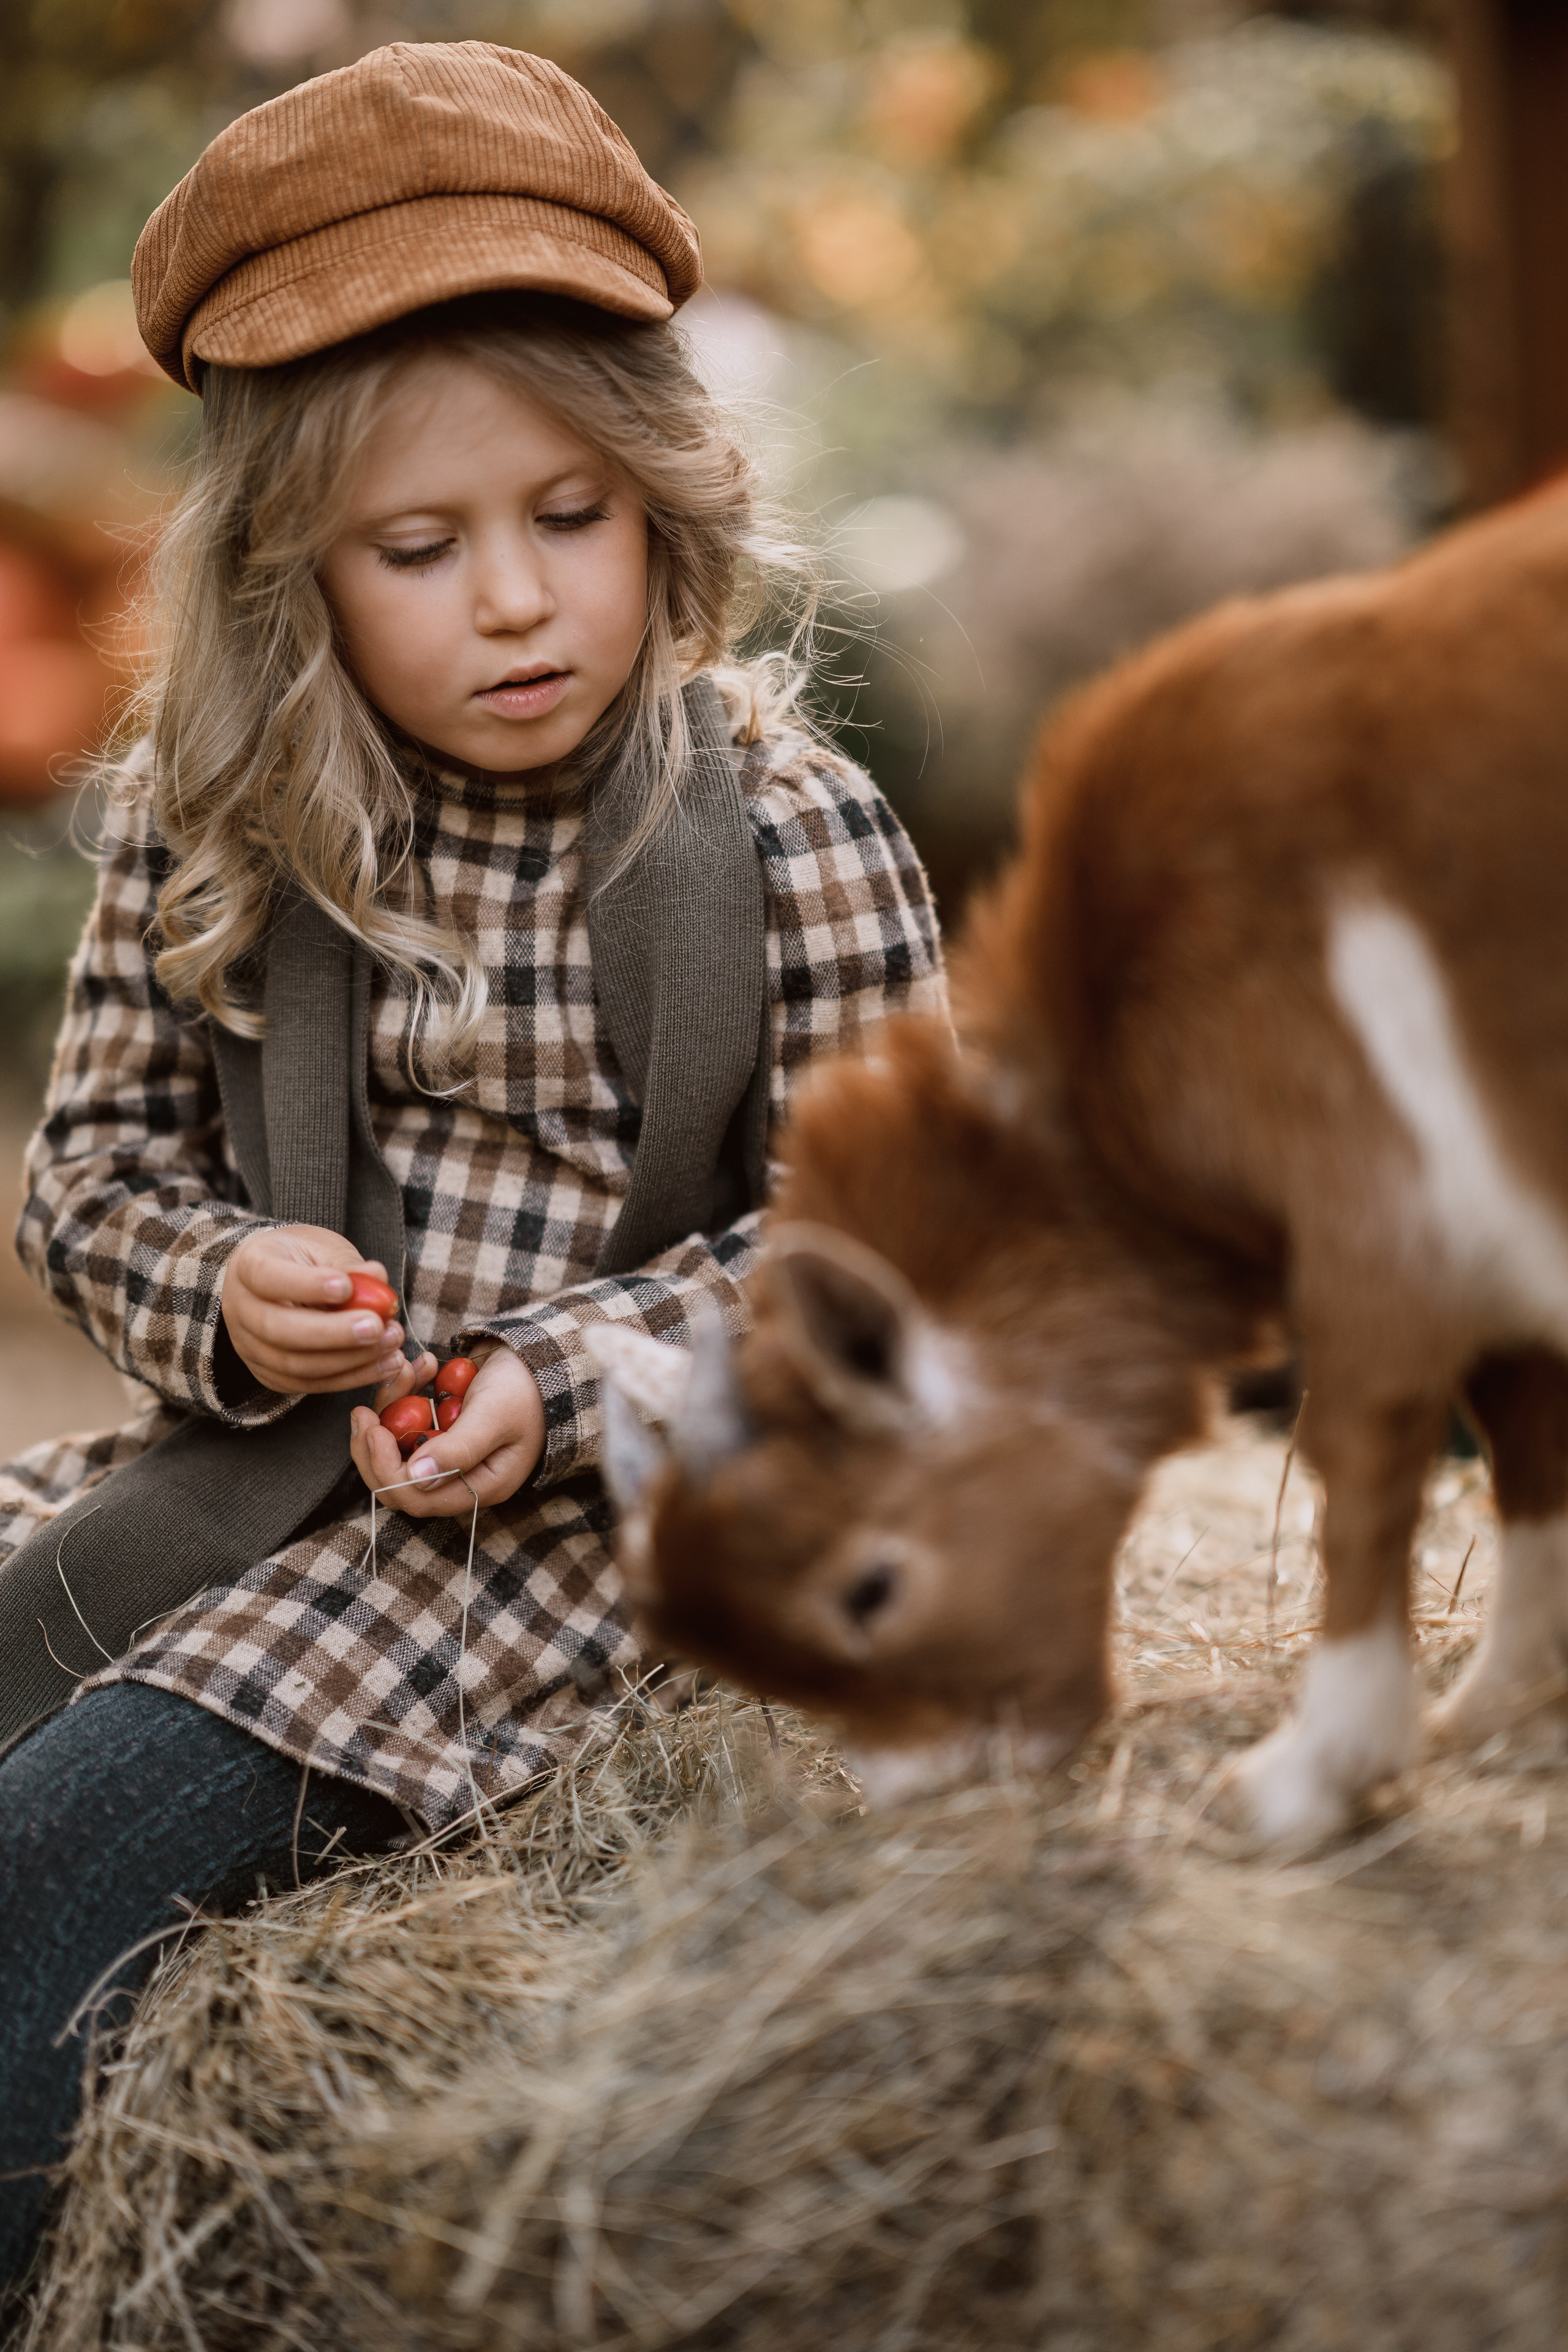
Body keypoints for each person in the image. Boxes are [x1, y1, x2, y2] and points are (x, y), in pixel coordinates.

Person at [0, 40, 944, 2303]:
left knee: (45, 1877)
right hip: (222, 1486)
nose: (515, 602)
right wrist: (224, 1286)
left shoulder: (782, 831)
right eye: (419, 551)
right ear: (288, 573)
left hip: (568, 1561)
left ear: (665, 501)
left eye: (570, 519)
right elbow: (91, 1176)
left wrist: (579, 1383)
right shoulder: (211, 825)